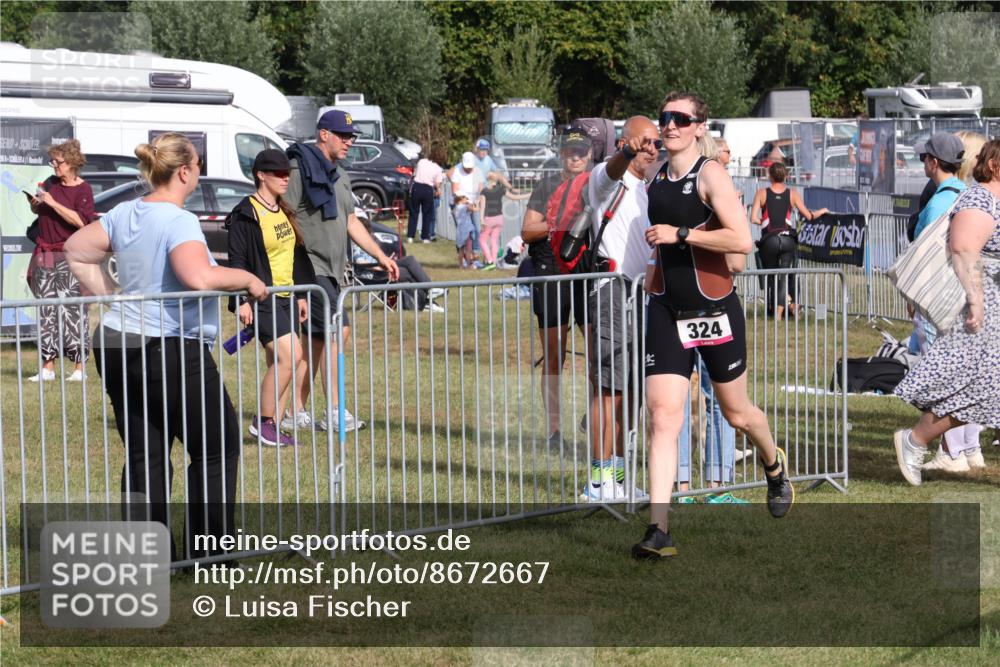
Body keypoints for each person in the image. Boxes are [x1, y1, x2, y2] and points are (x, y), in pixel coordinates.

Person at [64, 132, 269, 559]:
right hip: (170, 347)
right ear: (184, 172)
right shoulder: (178, 220)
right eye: (198, 166)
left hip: (120, 344)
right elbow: (197, 276)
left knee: (145, 452)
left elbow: (77, 249)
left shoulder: (125, 212)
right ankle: (211, 552)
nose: (199, 173)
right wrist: (248, 280)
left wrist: (114, 295)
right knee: (217, 446)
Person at [633, 92, 793, 560]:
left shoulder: (711, 174)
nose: (670, 125)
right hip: (665, 307)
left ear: (700, 126)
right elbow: (655, 237)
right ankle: (658, 528)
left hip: (713, 310)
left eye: (681, 119)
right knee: (663, 417)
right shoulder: (657, 176)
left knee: (736, 413)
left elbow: (743, 240)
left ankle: (772, 462)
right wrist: (653, 266)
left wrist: (683, 235)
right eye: (666, 118)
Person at [893, 139, 1000, 486]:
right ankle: (915, 440)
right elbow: (963, 248)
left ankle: (918, 440)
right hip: (982, 308)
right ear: (996, 166)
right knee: (967, 388)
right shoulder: (980, 198)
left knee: (981, 391)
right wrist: (976, 300)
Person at [285, 110, 399, 433]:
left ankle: (295, 409)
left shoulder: (340, 174)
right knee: (338, 331)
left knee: (316, 342)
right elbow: (284, 215)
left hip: (333, 272)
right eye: (342, 135)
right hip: (310, 268)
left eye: (351, 136)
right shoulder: (298, 169)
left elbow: (350, 221)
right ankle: (335, 410)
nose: (349, 141)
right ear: (324, 134)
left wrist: (380, 256)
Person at [579, 116, 657, 501]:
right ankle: (597, 481)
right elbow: (611, 169)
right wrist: (629, 150)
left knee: (631, 392)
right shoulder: (606, 179)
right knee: (607, 389)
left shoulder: (648, 189)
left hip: (642, 294)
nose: (653, 149)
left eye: (656, 144)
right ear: (626, 142)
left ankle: (620, 477)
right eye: (647, 142)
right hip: (611, 291)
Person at [675, 133, 753, 505]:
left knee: (677, 398)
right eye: (721, 158)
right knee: (720, 397)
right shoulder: (721, 201)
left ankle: (682, 485)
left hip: (676, 303)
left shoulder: (669, 202)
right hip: (712, 303)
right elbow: (738, 261)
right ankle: (717, 484)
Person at [908, 133, 986, 474]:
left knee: (942, 378)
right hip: (958, 294)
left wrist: (911, 293)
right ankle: (969, 448)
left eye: (925, 157)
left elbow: (926, 252)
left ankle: (951, 451)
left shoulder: (941, 200)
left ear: (934, 162)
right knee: (964, 376)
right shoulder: (968, 195)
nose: (923, 162)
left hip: (938, 296)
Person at [226, 149, 315, 447]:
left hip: (288, 295)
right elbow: (237, 259)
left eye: (287, 173)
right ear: (260, 175)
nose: (285, 178)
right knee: (292, 357)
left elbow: (295, 255)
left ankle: (274, 425)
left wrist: (301, 293)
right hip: (262, 296)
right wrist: (241, 299)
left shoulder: (282, 209)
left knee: (280, 362)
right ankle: (262, 424)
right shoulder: (245, 213)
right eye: (278, 173)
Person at [520, 126, 593, 450]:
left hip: (586, 270)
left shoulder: (597, 184)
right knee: (554, 356)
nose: (575, 156)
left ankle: (594, 412)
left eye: (582, 151)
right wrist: (560, 220)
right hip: (550, 269)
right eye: (570, 151)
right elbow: (527, 230)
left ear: (590, 155)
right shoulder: (548, 183)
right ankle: (553, 432)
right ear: (562, 154)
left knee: (597, 351)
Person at [26, 139, 96, 382]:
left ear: (73, 162)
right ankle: (48, 367)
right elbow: (41, 211)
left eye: (58, 161)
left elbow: (82, 222)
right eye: (52, 161)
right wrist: (36, 205)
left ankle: (79, 368)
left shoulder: (83, 189)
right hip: (45, 254)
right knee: (46, 310)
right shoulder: (49, 183)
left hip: (70, 255)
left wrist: (53, 203)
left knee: (73, 310)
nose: (54, 165)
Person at [750, 162, 828, 320]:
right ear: (786, 176)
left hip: (770, 240)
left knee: (770, 275)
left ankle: (773, 310)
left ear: (769, 176)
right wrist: (822, 211)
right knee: (784, 275)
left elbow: (753, 219)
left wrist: (765, 223)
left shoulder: (761, 193)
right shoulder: (792, 194)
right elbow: (809, 216)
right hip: (787, 240)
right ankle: (780, 313)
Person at [480, 171, 528, 267]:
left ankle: (489, 261)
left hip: (489, 218)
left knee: (482, 240)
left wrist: (481, 219)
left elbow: (483, 206)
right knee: (494, 240)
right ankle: (493, 262)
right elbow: (514, 197)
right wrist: (528, 195)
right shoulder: (501, 189)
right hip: (499, 218)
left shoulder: (484, 191)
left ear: (488, 179)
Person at [450, 152, 485, 267]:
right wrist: (465, 202)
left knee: (476, 230)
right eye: (466, 167)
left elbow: (481, 188)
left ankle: (474, 256)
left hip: (473, 203)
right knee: (462, 233)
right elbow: (455, 190)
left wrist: (477, 201)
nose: (468, 169)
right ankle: (463, 258)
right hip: (460, 203)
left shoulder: (478, 172)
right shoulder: (457, 171)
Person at [407, 148, 444, 243]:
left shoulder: (422, 161)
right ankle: (425, 237)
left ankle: (410, 236)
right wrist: (438, 190)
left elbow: (415, 174)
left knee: (413, 213)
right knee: (427, 214)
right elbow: (437, 184)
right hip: (428, 190)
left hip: (416, 187)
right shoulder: (438, 168)